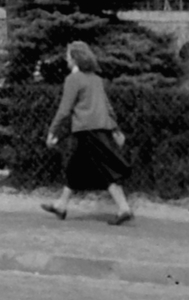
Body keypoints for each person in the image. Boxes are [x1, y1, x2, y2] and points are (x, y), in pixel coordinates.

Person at [41, 40, 133, 225]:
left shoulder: (73, 80)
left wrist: (53, 132)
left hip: (85, 131)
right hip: (100, 129)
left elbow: (64, 109)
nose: (66, 59)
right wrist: (115, 129)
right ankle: (62, 205)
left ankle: (124, 208)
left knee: (100, 170)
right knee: (76, 167)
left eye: (68, 56)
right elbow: (107, 107)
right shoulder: (96, 80)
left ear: (74, 59)